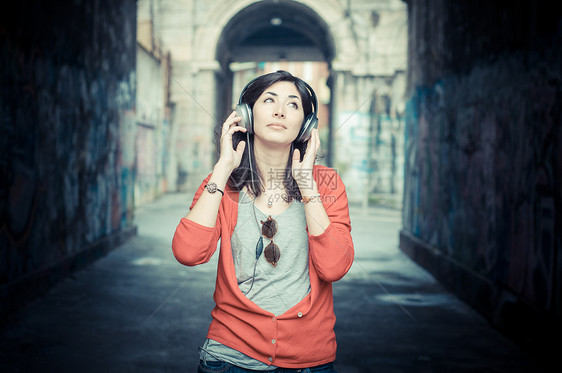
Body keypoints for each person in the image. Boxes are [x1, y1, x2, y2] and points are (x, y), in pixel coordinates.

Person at [172, 70, 354, 372]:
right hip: (228, 358)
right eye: (269, 100)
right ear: (246, 114)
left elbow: (334, 267)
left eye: (293, 105)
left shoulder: (327, 183)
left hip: (308, 362)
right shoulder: (220, 185)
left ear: (306, 126)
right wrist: (222, 167)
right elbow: (189, 253)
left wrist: (306, 184)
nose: (280, 110)